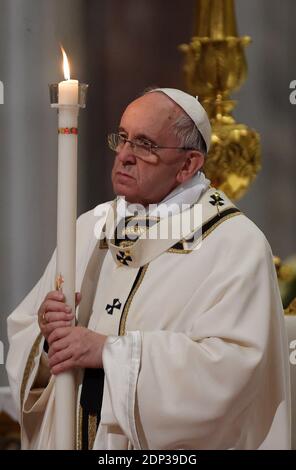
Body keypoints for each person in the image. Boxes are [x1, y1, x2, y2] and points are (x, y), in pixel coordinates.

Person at [6, 88, 291, 450]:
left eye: (144, 145)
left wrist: (110, 352)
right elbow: (25, 335)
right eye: (122, 138)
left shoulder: (234, 244)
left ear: (188, 165)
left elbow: (232, 372)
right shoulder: (89, 228)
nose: (124, 156)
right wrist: (49, 338)